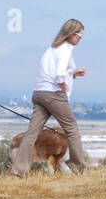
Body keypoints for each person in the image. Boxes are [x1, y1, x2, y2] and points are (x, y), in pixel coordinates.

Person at [11, 18, 91, 176]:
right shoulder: (65, 49)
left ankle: (19, 170)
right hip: (53, 94)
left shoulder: (52, 49)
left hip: (39, 93)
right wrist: (63, 89)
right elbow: (59, 74)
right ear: (70, 33)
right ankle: (80, 168)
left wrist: (73, 73)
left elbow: (53, 72)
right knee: (72, 129)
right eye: (79, 34)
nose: (80, 37)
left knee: (32, 133)